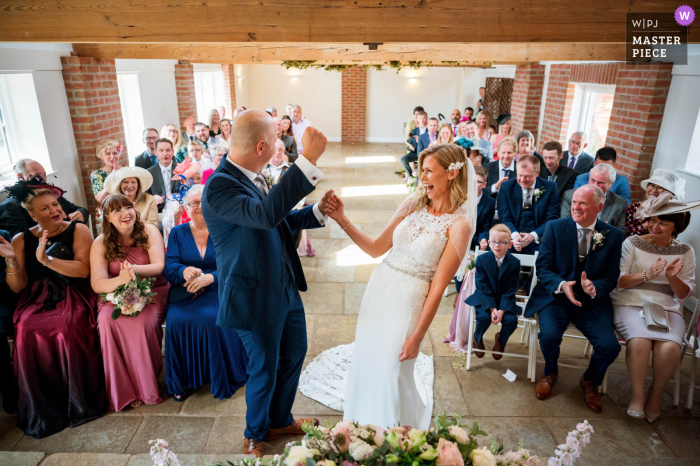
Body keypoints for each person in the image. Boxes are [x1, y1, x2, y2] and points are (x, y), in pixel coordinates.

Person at [304, 144, 474, 430]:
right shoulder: (412, 202)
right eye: (421, 170)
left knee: (392, 371)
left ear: (452, 174)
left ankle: (395, 432)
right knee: (368, 361)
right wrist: (342, 219)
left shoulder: (459, 225)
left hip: (408, 303)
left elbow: (437, 287)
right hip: (379, 291)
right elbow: (375, 248)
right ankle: (359, 426)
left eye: (429, 171)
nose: (422, 177)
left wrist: (418, 336)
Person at [202, 110, 334, 457]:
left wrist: (317, 212)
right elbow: (263, 215)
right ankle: (254, 433)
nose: (280, 144)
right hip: (254, 295)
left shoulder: (254, 175)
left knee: (293, 354)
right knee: (264, 366)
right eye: (276, 139)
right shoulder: (219, 187)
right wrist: (307, 161)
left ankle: (279, 420)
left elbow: (274, 220)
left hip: (284, 286)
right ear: (262, 146)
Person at [1, 180, 106, 438]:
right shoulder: (20, 238)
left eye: (55, 204)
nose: (54, 211)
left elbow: (83, 269)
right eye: (45, 208)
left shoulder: (78, 229)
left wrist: (48, 260)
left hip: (73, 292)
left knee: (67, 326)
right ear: (31, 214)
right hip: (35, 298)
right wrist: (12, 260)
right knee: (25, 329)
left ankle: (78, 402)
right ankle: (45, 408)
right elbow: (17, 287)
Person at [525, 185, 624, 413]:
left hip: (591, 303)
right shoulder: (555, 228)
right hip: (557, 298)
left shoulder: (613, 236)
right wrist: (562, 285)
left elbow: (611, 277)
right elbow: (544, 267)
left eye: (583, 203)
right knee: (548, 335)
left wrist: (594, 287)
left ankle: (590, 380)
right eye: (574, 202)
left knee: (610, 346)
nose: (576, 207)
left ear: (599, 207)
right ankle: (550, 372)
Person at [612, 193, 698, 422]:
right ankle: (637, 396)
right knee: (640, 341)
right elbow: (619, 282)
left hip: (667, 308)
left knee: (670, 348)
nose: (655, 226)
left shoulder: (686, 251)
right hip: (630, 302)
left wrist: (672, 278)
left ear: (676, 227)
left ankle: (655, 396)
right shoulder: (632, 242)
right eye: (653, 220)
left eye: (663, 222)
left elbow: (683, 293)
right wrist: (646, 275)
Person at [164, 185, 248, 401]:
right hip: (186, 292)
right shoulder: (177, 233)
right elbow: (170, 266)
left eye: (204, 201)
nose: (199, 207)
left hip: (219, 287)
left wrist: (212, 277)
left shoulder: (225, 229)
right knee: (176, 320)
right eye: (194, 203)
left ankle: (220, 374)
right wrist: (184, 271)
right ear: (185, 207)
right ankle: (182, 380)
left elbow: (238, 265)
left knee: (212, 319)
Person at [90, 194, 169, 411]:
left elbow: (158, 266)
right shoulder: (100, 243)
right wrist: (120, 281)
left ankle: (145, 384)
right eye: (117, 210)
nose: (125, 213)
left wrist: (133, 271)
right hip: (114, 293)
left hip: (151, 289)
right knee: (107, 322)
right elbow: (97, 283)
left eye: (128, 207)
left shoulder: (149, 231)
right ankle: (124, 390)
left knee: (143, 323)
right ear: (107, 216)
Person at [466, 224, 521, 360]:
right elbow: (482, 286)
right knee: (483, 318)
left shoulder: (514, 263)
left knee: (511, 320)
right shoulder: (482, 260)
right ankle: (477, 338)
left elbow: (511, 289)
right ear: (489, 243)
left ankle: (501, 340)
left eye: (502, 242)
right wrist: (492, 309)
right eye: (494, 241)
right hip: (484, 297)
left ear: (510, 245)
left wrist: (501, 310)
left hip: (505, 299)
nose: (497, 245)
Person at [0, 159, 88, 237]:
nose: (44, 179)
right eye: (38, 175)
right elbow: (20, 240)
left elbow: (79, 209)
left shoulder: (49, 194)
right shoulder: (9, 206)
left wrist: (80, 213)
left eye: (44, 175)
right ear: (21, 176)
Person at [497, 155, 559, 254]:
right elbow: (505, 218)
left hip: (539, 238)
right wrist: (515, 236)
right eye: (520, 175)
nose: (522, 179)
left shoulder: (550, 188)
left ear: (537, 173)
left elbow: (551, 219)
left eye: (527, 176)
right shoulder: (507, 187)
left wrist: (533, 236)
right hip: (512, 235)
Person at [560, 164, 626, 232]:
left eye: (600, 182)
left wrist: (607, 230)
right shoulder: (570, 196)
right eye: (593, 180)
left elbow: (622, 233)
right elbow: (565, 224)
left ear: (611, 184)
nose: (595, 185)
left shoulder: (620, 203)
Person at [626, 169, 685, 237]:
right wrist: (646, 225)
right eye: (652, 185)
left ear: (668, 194)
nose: (654, 190)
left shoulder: (670, 213)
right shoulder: (634, 207)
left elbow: (672, 236)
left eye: (660, 187)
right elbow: (628, 233)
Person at [0, 228, 18, 415]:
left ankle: (9, 393)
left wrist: (10, 259)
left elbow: (11, 283)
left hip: (3, 300)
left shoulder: (3, 236)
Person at [91, 139, 124, 235]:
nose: (112, 156)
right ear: (101, 156)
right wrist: (111, 178)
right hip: (107, 209)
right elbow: (100, 199)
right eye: (108, 153)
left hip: (124, 206)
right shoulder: (96, 174)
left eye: (115, 153)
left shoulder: (125, 170)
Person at [147, 138, 180, 213]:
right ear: (156, 152)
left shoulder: (181, 170)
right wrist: (152, 198)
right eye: (161, 150)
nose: (165, 154)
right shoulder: (149, 173)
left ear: (173, 151)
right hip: (158, 212)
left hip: (179, 210)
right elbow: (144, 195)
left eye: (168, 150)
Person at [471, 165, 496, 251]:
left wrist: (483, 239)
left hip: (476, 240)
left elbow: (486, 227)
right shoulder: (460, 199)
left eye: (477, 182)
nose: (473, 185)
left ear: (484, 185)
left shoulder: (490, 202)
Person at [403, 111, 428, 178]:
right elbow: (410, 143)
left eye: (424, 118)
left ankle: (419, 178)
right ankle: (411, 177)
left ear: (427, 118)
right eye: (420, 119)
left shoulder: (429, 130)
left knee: (419, 167)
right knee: (403, 160)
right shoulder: (414, 131)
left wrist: (419, 140)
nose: (422, 120)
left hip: (425, 153)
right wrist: (410, 147)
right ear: (417, 120)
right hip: (415, 152)